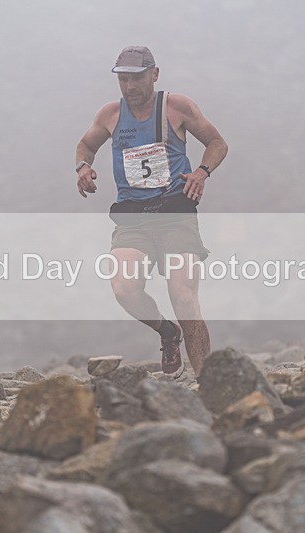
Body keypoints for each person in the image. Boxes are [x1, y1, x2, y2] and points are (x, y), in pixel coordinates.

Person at [74, 46, 227, 378]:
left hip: (175, 212)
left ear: (154, 74)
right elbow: (86, 145)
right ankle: (167, 332)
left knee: (184, 297)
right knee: (124, 289)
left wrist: (201, 172)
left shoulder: (177, 107)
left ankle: (206, 380)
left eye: (137, 78)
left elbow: (217, 143)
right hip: (133, 217)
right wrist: (83, 167)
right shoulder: (110, 115)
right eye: (124, 79)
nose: (131, 87)